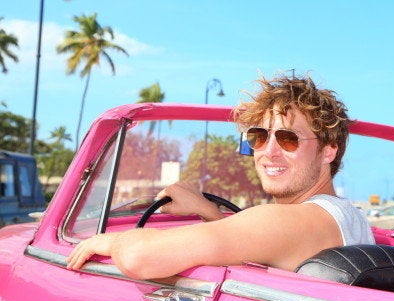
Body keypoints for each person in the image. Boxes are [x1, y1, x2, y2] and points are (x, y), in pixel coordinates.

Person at [67, 72, 375, 279]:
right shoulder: (347, 217)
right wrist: (207, 211)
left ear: (328, 152)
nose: (268, 151)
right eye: (258, 136)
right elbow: (262, 245)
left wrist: (109, 242)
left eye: (288, 139)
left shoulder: (294, 220)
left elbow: (139, 256)